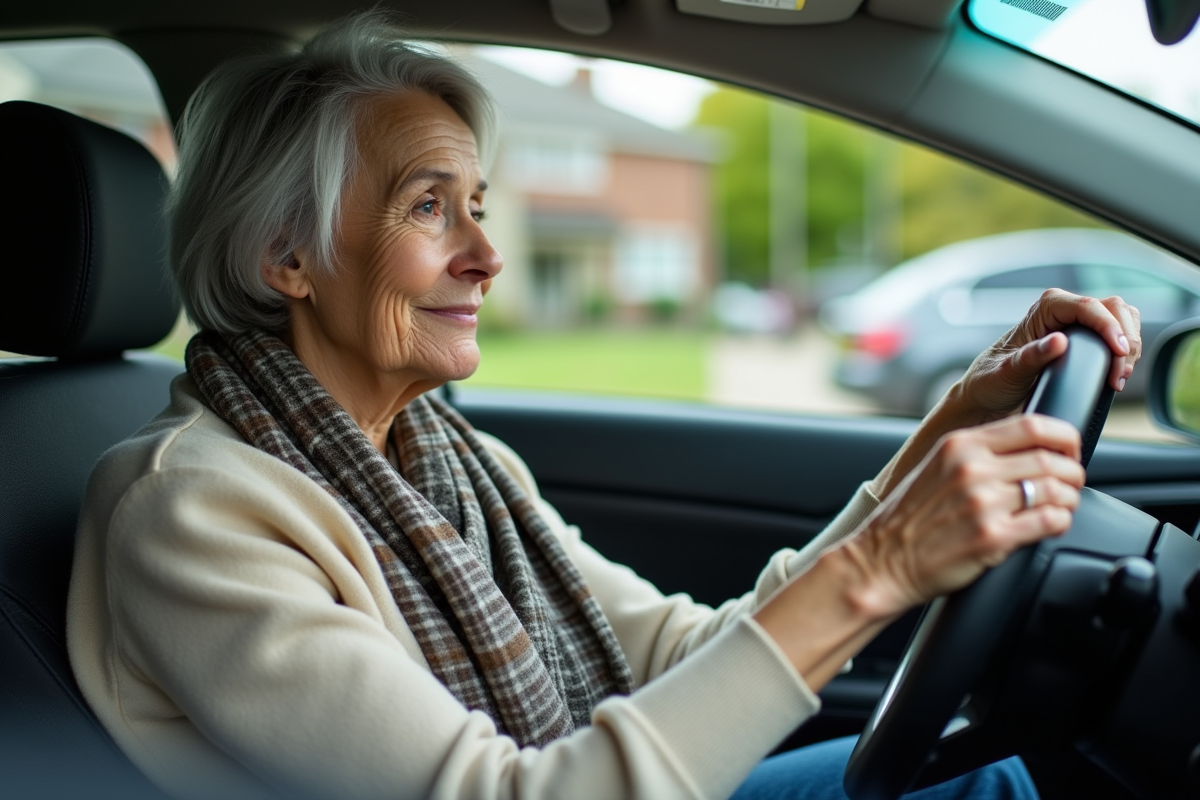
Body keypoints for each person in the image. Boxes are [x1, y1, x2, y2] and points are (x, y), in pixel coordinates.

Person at [67, 11, 1142, 800]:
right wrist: (884, 567)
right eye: (429, 206)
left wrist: (945, 429)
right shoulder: (189, 510)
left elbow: (688, 655)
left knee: (990, 778)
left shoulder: (447, 460)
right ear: (286, 255)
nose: (486, 254)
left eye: (478, 205)